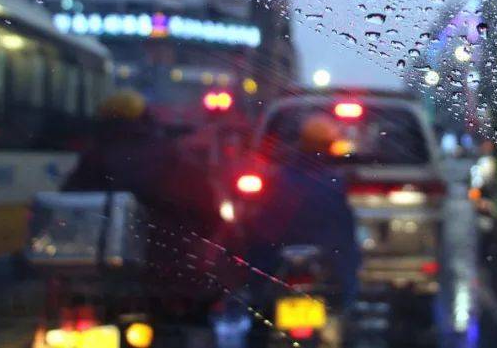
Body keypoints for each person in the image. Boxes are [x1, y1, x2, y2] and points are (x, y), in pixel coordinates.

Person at [64, 90, 228, 312]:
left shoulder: (92, 160)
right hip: (170, 276)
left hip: (102, 280)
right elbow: (208, 213)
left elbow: (68, 211)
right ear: (145, 117)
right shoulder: (172, 157)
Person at [243, 113, 361, 305]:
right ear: (328, 145)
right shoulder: (332, 182)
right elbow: (344, 233)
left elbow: (262, 229)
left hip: (279, 257)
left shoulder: (281, 177)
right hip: (321, 258)